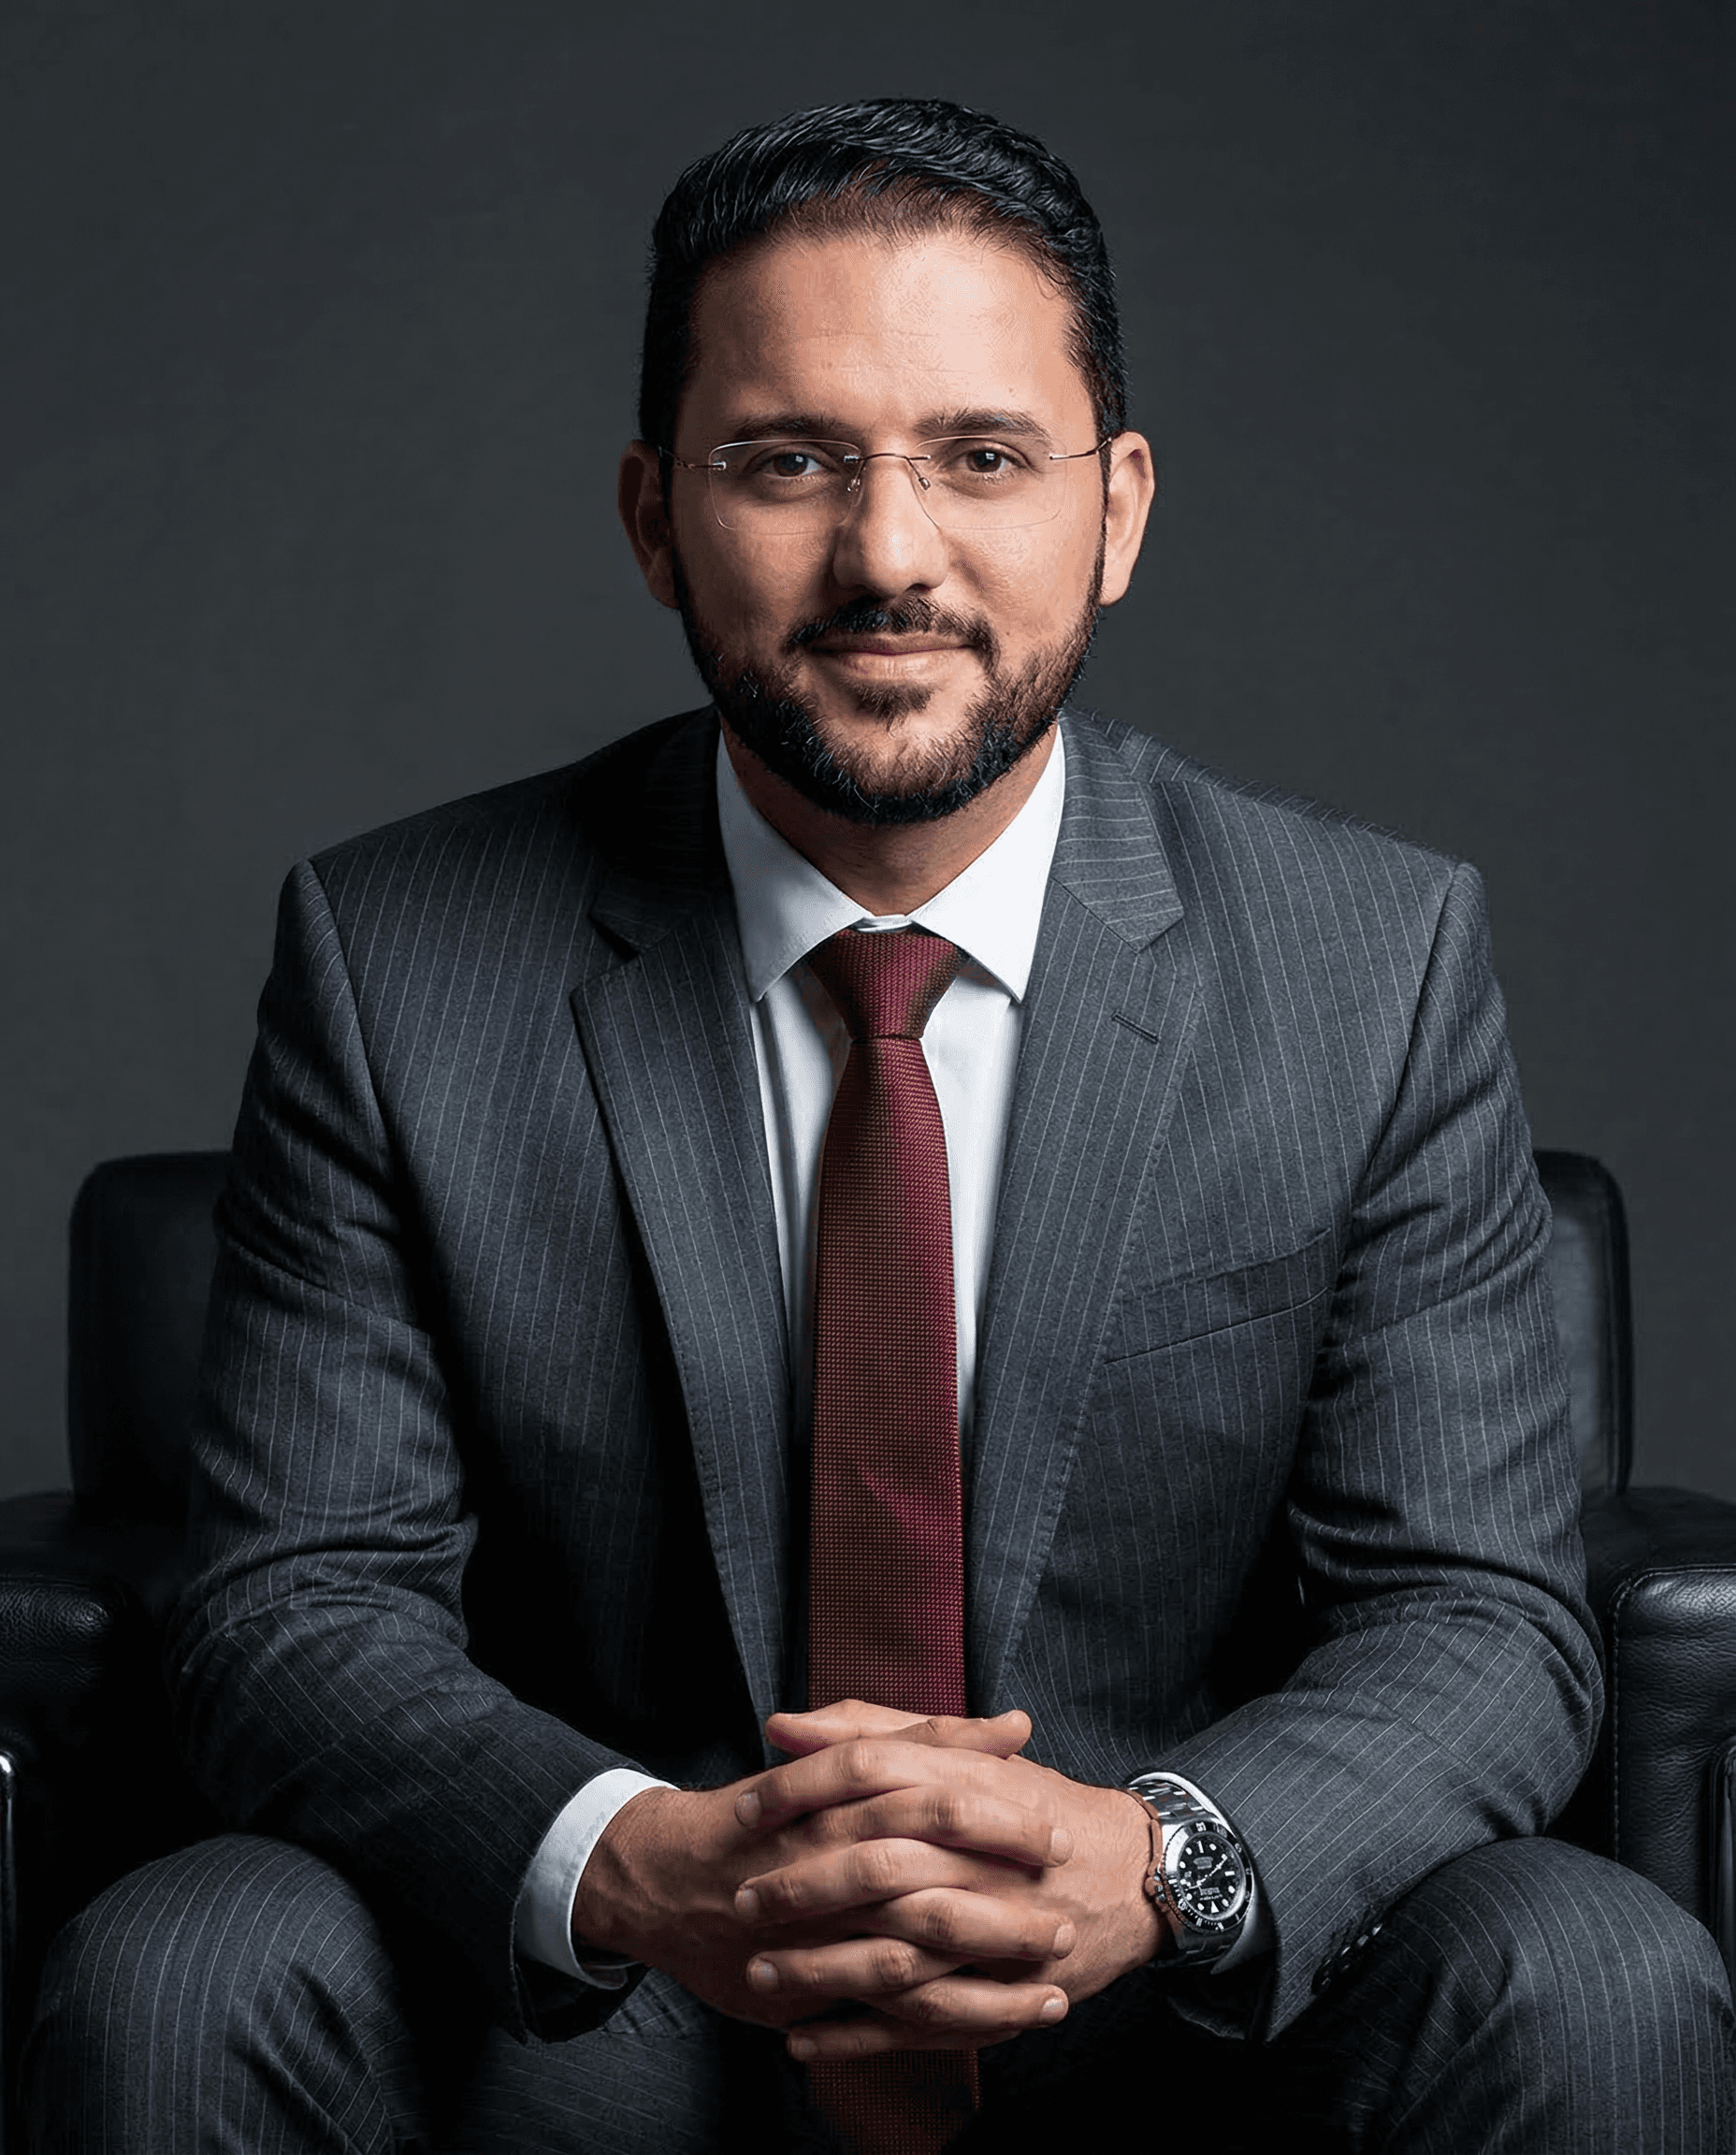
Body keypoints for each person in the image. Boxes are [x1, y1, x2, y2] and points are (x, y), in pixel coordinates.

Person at [25, 98, 1733, 2153]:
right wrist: (632, 1861)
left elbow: (1478, 1614)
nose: (889, 556)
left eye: (979, 458)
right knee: (179, 1962)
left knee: (1600, 1974)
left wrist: (1160, 1861)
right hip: (606, 2002)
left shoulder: (1365, 963)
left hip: (1177, 2002)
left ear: (1116, 507)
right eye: (787, 462)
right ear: (656, 516)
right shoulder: (400, 961)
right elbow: (299, 1602)